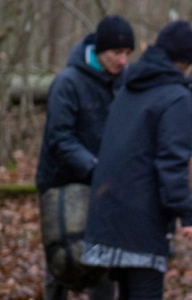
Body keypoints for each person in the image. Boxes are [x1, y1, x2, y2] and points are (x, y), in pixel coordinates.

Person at [80, 20, 192, 300]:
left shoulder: (129, 87)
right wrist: (188, 214)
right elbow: (172, 161)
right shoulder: (176, 96)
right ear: (186, 62)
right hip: (142, 221)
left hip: (107, 215)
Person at [35, 15, 135, 300]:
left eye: (128, 53)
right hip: (60, 183)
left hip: (101, 184)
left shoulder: (125, 82)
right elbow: (60, 138)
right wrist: (94, 168)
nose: (123, 60)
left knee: (101, 258)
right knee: (62, 258)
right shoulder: (68, 82)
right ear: (100, 50)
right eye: (117, 53)